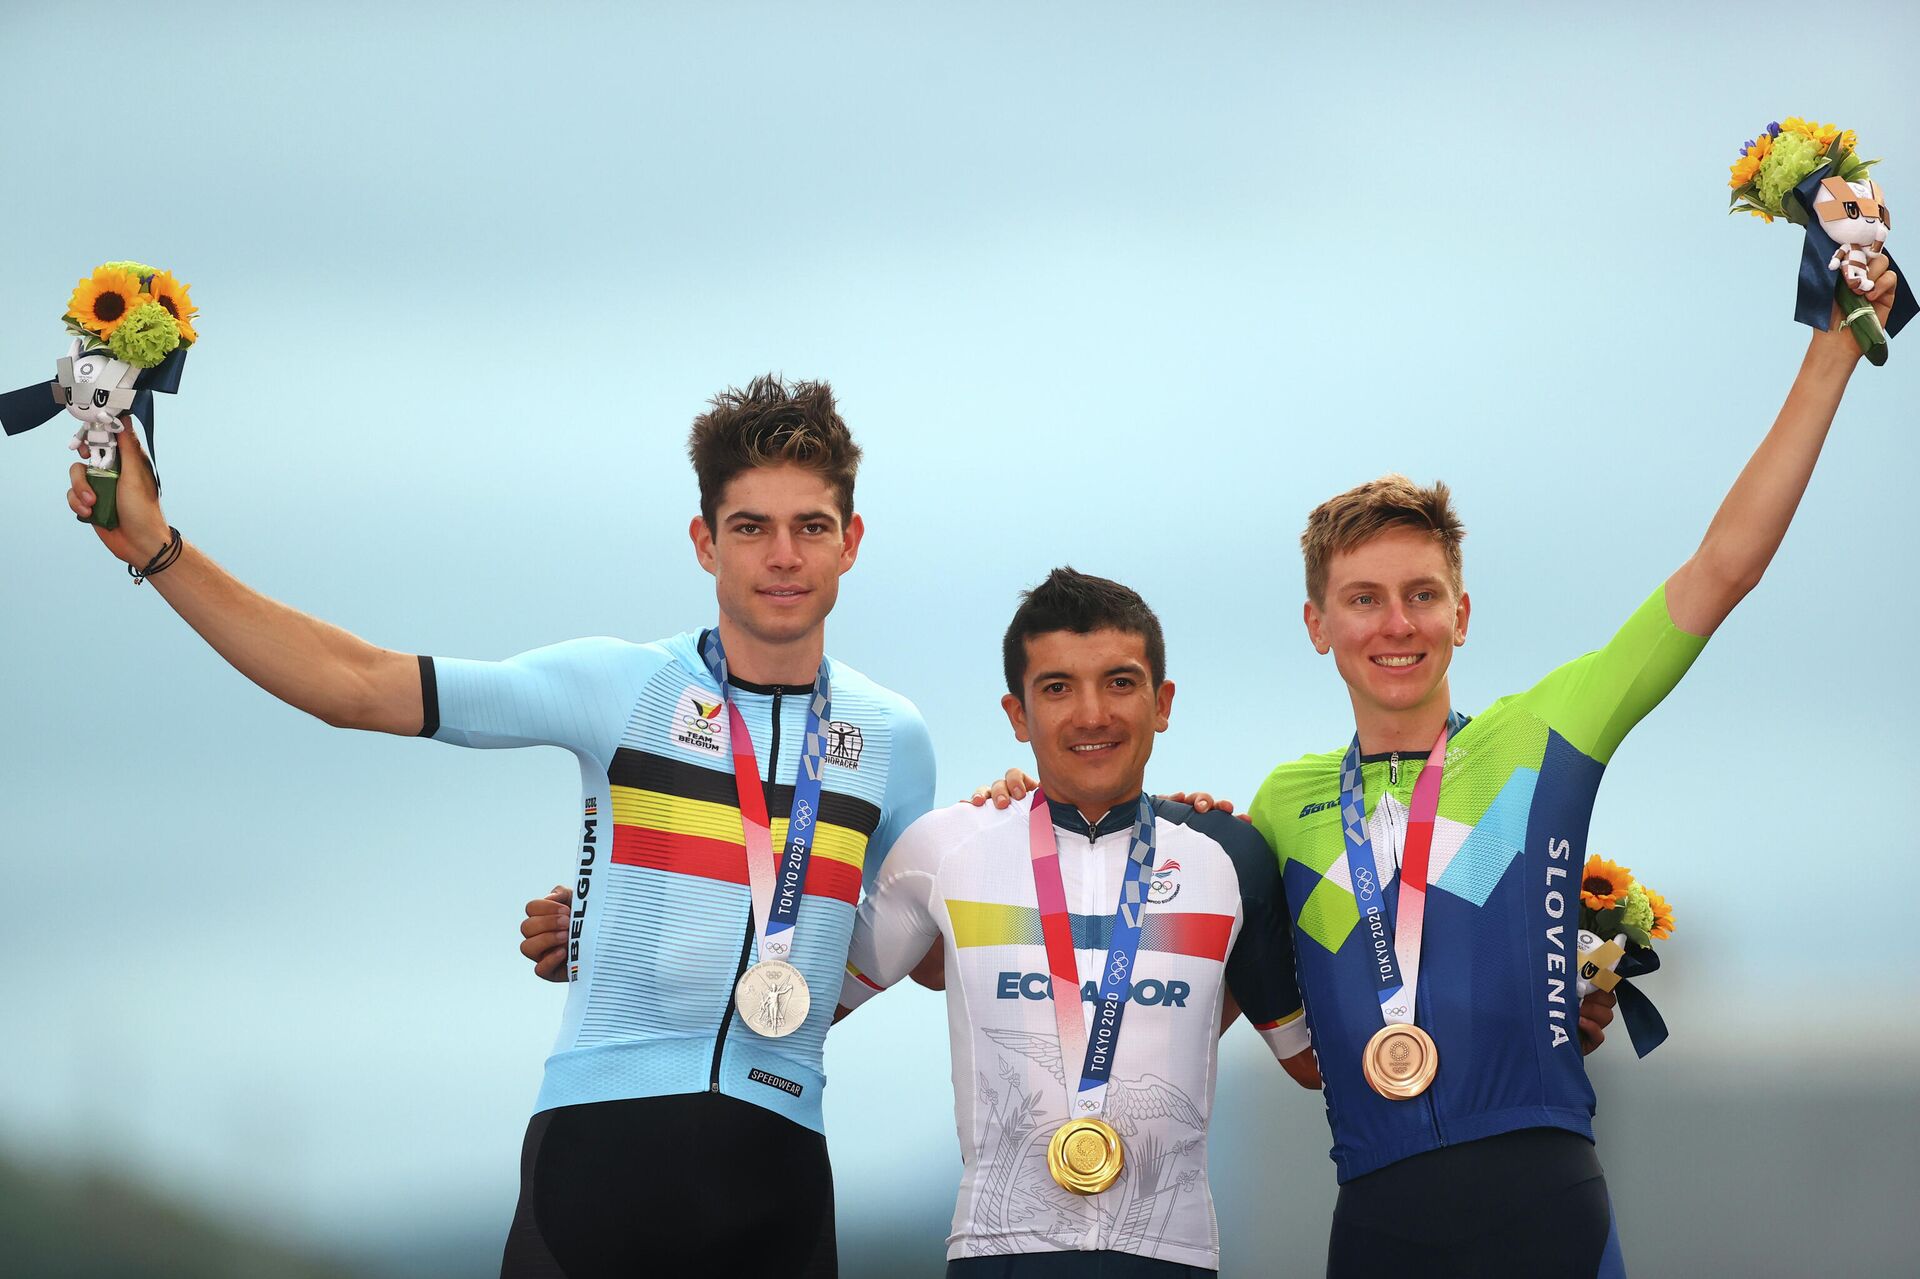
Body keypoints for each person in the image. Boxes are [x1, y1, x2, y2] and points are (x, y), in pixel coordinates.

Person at [64, 375, 938, 1278]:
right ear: (705, 544)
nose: (783, 554)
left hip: (781, 1175)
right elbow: (356, 684)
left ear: (851, 543)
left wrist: (1009, 832)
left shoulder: (893, 740)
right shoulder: (621, 686)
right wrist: (160, 549)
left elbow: (937, 947)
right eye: (751, 526)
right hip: (603, 1161)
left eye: (811, 526)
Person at [1236, 259, 1902, 1278]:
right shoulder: (1281, 808)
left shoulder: (1544, 732)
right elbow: (1236, 993)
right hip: (1373, 1214)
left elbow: (1722, 567)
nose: (1397, 622)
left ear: (1462, 613)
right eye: (1363, 598)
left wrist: (1834, 349)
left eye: (1422, 593)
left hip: (1540, 1202)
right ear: (1317, 624)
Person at [826, 569, 1320, 1276]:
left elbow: (1308, 1062)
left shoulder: (1228, 856)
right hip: (997, 1251)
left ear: (1162, 702)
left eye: (1120, 682)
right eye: (1058, 687)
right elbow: (796, 1009)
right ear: (1018, 714)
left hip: (1170, 1253)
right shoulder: (947, 847)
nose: (1093, 713)